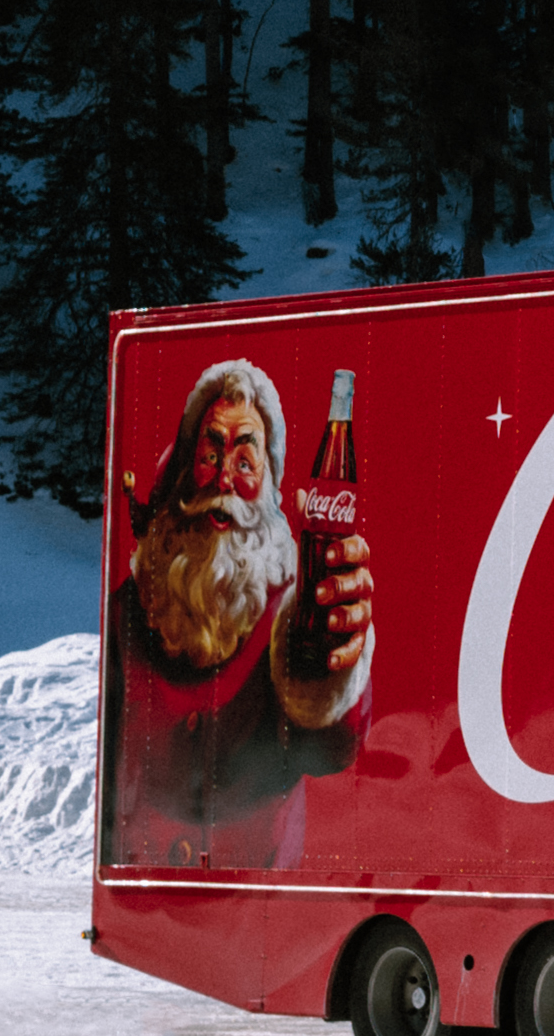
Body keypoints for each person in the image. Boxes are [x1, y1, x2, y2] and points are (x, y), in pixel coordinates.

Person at [106, 355, 380, 866]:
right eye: (210, 457)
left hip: (258, 898)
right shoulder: (130, 608)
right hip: (147, 888)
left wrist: (335, 659)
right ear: (185, 470)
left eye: (245, 461)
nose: (224, 481)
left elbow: (332, 750)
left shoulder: (293, 610)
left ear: (271, 488)